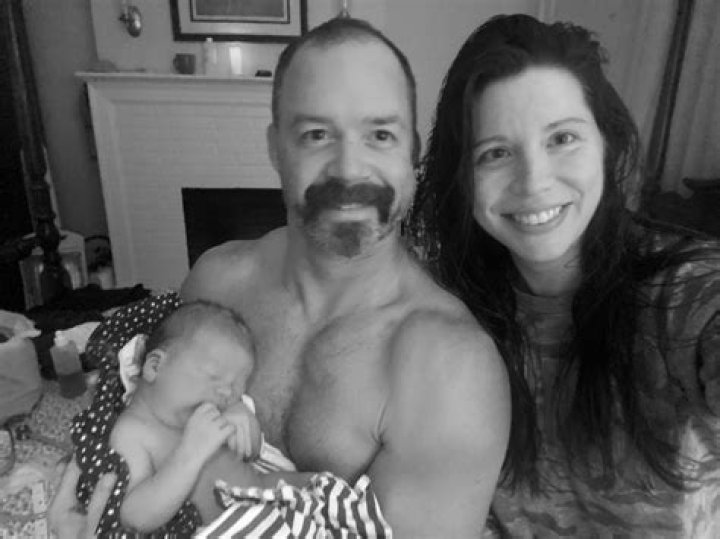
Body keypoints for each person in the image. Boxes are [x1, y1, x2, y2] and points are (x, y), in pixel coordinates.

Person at [49, 16, 511, 538]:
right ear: (274, 147)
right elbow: (148, 436)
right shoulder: (216, 283)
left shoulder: (452, 369)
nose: (349, 168)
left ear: (412, 154)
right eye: (316, 135)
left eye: (380, 134)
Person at [409, 13, 720, 537]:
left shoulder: (687, 292)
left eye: (562, 138)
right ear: (464, 178)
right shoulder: (444, 305)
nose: (534, 181)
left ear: (606, 145)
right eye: (496, 153)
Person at [71, 300, 266, 536]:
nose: (227, 393)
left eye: (236, 386)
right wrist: (190, 454)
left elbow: (252, 454)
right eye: (214, 377)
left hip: (267, 496)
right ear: (155, 366)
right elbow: (135, 517)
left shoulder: (219, 409)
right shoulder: (133, 432)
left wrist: (243, 418)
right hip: (228, 529)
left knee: (308, 485)